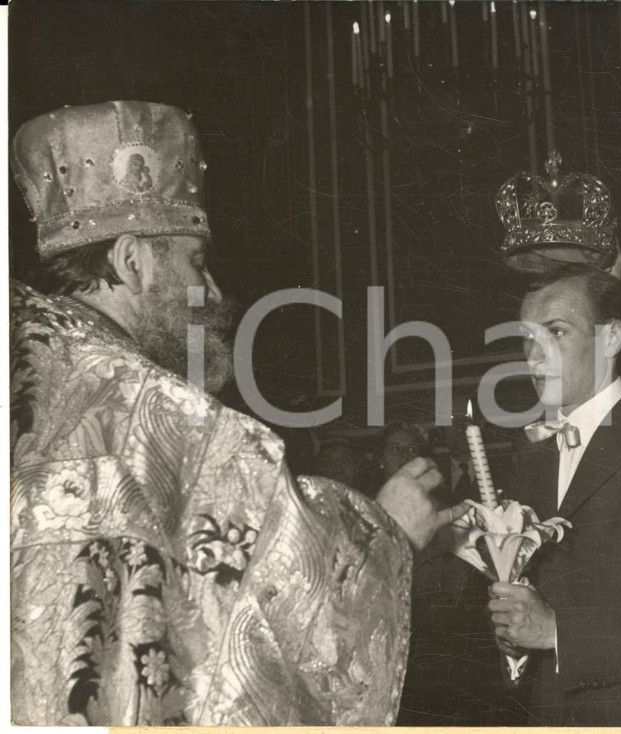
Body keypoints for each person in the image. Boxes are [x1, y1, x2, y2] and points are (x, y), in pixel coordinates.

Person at [9, 101, 466, 726]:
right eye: (196, 263)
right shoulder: (155, 414)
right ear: (131, 260)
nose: (217, 293)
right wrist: (387, 532)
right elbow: (272, 621)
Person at [488, 264, 621, 726]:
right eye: (526, 337)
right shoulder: (531, 457)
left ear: (611, 338)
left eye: (556, 332)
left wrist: (558, 632)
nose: (534, 356)